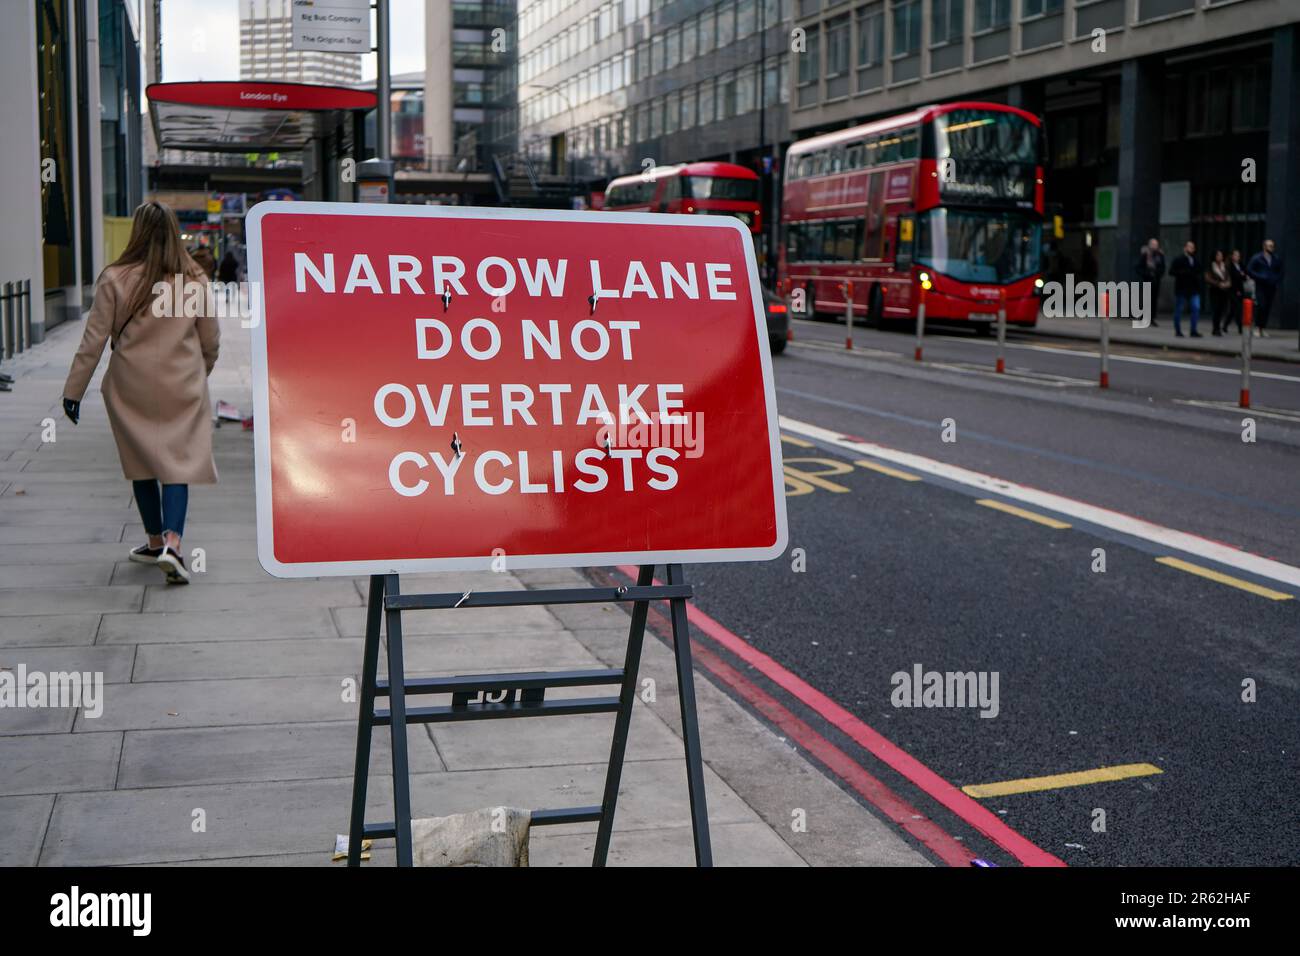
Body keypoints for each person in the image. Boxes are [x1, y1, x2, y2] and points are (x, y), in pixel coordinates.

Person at [61, 201, 221, 585]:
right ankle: (173, 543)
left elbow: (93, 341)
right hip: (181, 383)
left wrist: (74, 392)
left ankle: (153, 542)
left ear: (136, 231)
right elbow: (210, 340)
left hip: (130, 384)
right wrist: (200, 373)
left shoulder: (115, 277)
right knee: (177, 464)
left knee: (142, 463)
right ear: (172, 229)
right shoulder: (193, 278)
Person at [1246, 239, 1283, 337]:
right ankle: (1258, 327)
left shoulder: (1276, 258)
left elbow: (1280, 271)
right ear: (1264, 247)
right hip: (1260, 286)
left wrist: (1276, 279)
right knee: (1261, 306)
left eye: (1272, 246)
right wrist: (1259, 277)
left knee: (1267, 307)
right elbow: (1249, 270)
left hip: (1271, 286)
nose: (1271, 248)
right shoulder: (1257, 258)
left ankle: (1262, 328)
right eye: (1269, 246)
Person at [1168, 240, 1203, 338]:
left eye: (1192, 247)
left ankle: (1193, 330)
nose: (1191, 249)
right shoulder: (1179, 259)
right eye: (1189, 247)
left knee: (1196, 308)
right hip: (1182, 288)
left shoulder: (1195, 260)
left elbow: (1200, 271)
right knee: (1179, 309)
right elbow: (1171, 271)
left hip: (1193, 289)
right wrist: (1182, 273)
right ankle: (1178, 330)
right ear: (1185, 248)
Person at [1134, 238, 1165, 326]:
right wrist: (1146, 274)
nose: (1154, 246)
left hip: (1156, 280)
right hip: (1147, 280)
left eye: (1156, 245)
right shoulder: (1145, 255)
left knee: (1154, 300)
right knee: (1146, 299)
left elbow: (1162, 267)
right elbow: (1138, 267)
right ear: (1149, 245)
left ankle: (1151, 318)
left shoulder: (1160, 255)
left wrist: (1158, 274)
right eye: (1153, 244)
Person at [1206, 250, 1232, 336]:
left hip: (1223, 291)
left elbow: (1228, 276)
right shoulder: (1211, 266)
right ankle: (1215, 328)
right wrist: (1218, 284)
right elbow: (1208, 278)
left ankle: (1218, 327)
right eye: (1218, 255)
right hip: (1215, 291)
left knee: (1221, 310)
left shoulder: (1224, 266)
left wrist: (1228, 283)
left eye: (1221, 255)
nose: (1220, 257)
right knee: (1216, 310)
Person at [1226, 249, 1247, 335]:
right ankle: (1240, 328)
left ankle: (1225, 325)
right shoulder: (1229, 266)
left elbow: (1244, 276)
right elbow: (1233, 278)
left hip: (1240, 290)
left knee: (1232, 310)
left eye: (1238, 255)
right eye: (1235, 255)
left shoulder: (1241, 265)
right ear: (1232, 256)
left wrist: (1242, 275)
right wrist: (1240, 275)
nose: (1237, 257)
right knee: (1238, 309)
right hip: (1232, 290)